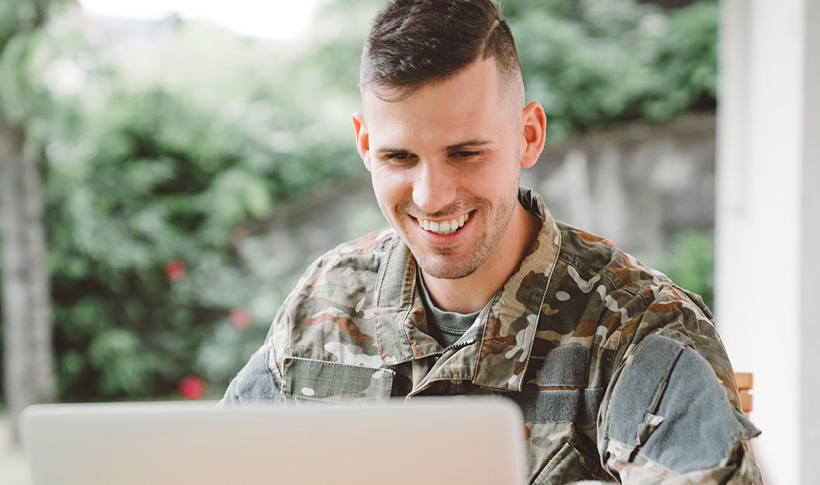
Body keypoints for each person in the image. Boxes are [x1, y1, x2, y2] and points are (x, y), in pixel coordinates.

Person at [221, 0, 762, 482]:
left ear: (529, 136)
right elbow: (213, 462)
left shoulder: (637, 329)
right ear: (365, 145)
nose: (431, 196)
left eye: (465, 153)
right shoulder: (325, 299)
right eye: (399, 157)